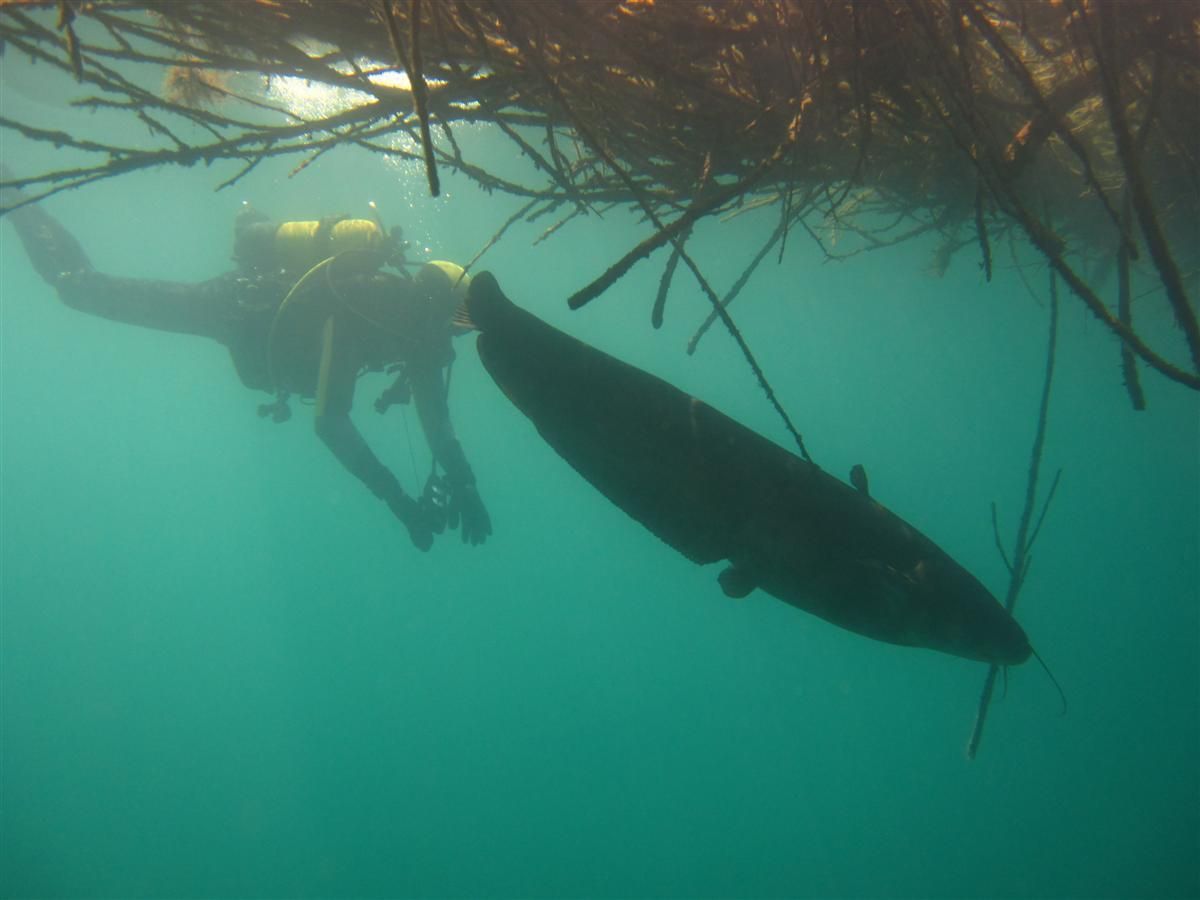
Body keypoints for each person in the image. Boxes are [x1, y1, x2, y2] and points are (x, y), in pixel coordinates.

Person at [1, 175, 491, 551]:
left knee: (83, 290)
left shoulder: (413, 335)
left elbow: (435, 416)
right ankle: (15, 196)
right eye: (456, 326)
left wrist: (464, 482)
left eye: (461, 331)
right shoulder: (366, 306)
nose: (451, 342)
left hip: (256, 332)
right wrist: (398, 501)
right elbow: (329, 421)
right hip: (235, 309)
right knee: (78, 288)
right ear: (434, 309)